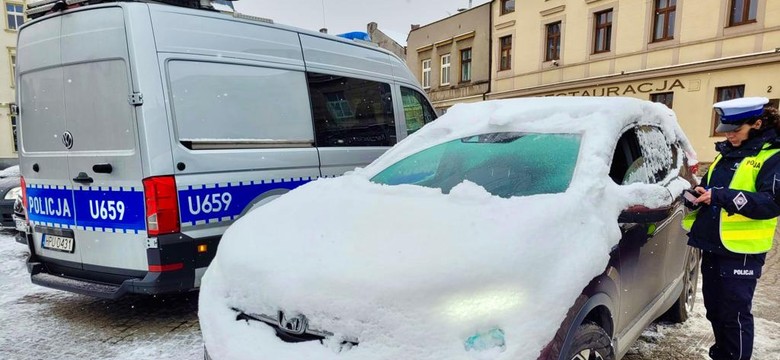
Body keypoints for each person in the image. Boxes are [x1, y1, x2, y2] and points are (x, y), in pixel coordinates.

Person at [682, 97, 780, 360]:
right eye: (728, 131)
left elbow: (772, 203)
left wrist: (722, 196)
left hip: (742, 252)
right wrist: (698, 194)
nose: (731, 136)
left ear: (757, 124)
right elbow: (712, 188)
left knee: (734, 316)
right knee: (715, 310)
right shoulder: (726, 154)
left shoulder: (773, 157)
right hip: (713, 245)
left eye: (737, 130)